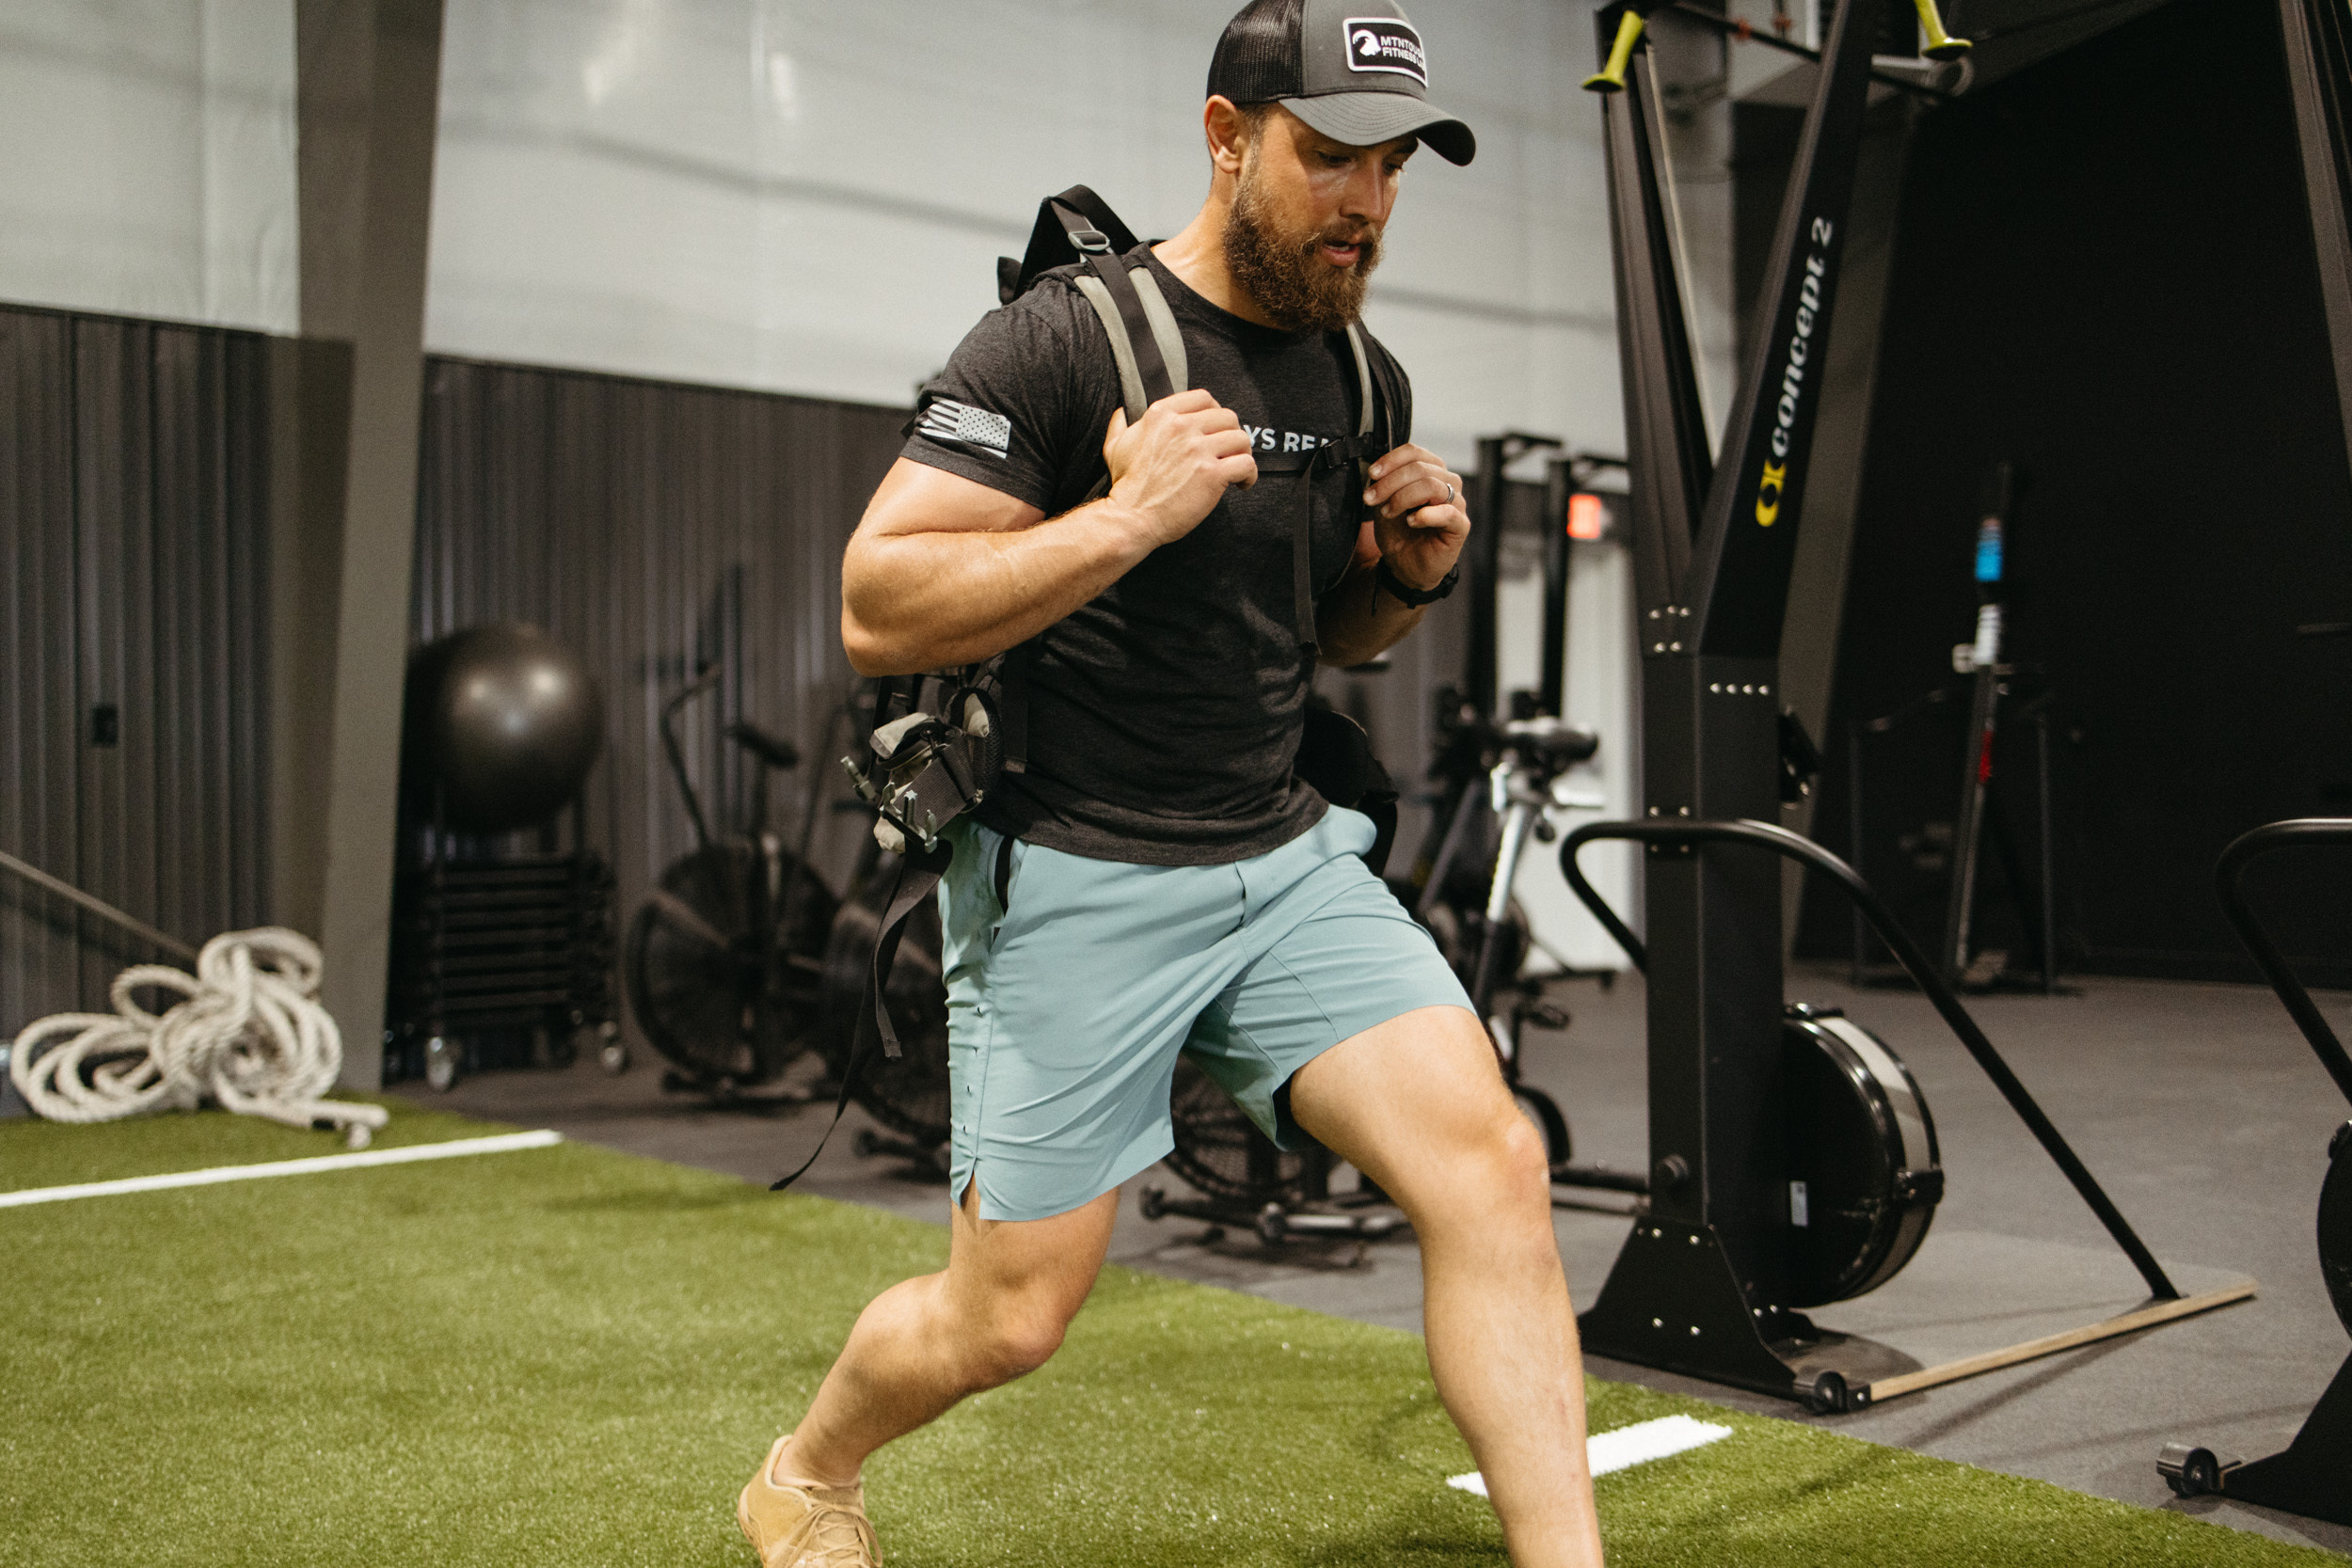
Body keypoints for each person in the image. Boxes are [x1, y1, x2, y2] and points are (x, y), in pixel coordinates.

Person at [739, 3, 1605, 1564]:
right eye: (1330, 157)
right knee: (1005, 1324)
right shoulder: (1064, 341)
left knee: (1493, 1166)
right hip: (1074, 870)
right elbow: (877, 600)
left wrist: (1406, 582)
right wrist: (1125, 519)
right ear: (1229, 137)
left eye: (1395, 167)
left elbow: (1324, 636)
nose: (1369, 204)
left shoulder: (1362, 373)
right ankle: (807, 1472)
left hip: (1281, 864)